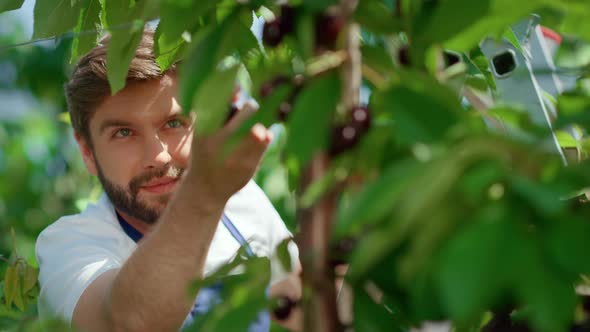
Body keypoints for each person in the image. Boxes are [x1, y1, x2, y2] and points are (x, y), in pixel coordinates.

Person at [35, 29, 302, 332]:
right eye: (123, 133)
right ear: (87, 152)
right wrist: (204, 193)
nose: (158, 156)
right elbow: (126, 324)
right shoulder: (69, 245)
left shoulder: (244, 201)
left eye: (174, 123)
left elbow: (297, 309)